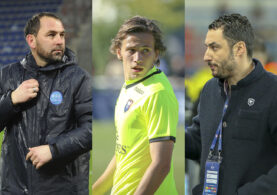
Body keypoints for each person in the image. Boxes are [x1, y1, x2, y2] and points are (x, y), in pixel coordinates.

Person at [0, 12, 92, 195]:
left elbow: (90, 129)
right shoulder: (8, 75)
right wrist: (11, 100)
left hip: (64, 189)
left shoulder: (79, 78)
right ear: (31, 40)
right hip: (15, 188)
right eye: (51, 35)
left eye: (62, 35)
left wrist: (54, 150)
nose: (59, 40)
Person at [185, 13, 277, 195]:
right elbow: (200, 138)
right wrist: (168, 134)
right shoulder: (210, 89)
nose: (206, 56)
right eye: (206, 47)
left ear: (239, 49)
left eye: (214, 48)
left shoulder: (273, 91)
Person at [92, 16, 178, 195]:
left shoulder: (157, 93)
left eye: (145, 50)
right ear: (118, 52)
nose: (137, 58)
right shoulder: (131, 85)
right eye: (131, 50)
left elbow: (161, 165)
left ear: (156, 54)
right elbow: (124, 153)